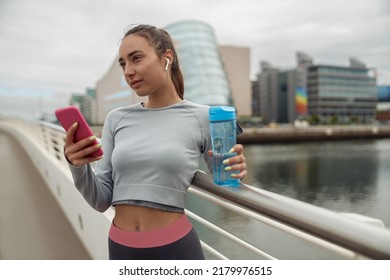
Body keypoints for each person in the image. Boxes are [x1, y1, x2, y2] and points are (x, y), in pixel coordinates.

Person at [63, 24, 247, 260]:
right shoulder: (116, 119)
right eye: (123, 64)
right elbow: (100, 200)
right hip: (121, 247)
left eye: (136, 58)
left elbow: (225, 182)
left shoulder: (204, 117)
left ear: (166, 58)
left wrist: (237, 170)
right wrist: (77, 165)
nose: (128, 71)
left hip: (176, 249)